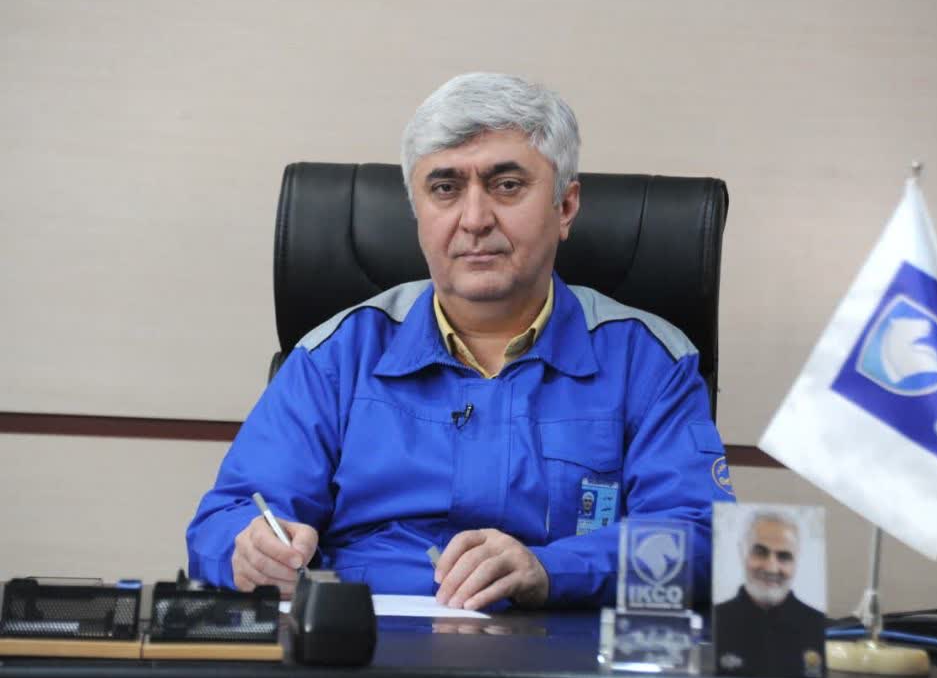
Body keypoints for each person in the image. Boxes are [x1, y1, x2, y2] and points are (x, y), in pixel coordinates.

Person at [186, 72, 734, 610]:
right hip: (367, 641)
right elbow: (224, 520)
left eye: (507, 185)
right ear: (417, 212)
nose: (474, 219)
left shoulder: (648, 360)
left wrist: (550, 569)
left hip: (557, 643)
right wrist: (248, 551)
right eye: (445, 189)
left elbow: (699, 537)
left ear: (565, 207)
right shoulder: (336, 355)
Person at [712, 512, 825, 678]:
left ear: (796, 561)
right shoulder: (714, 622)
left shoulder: (819, 627)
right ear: (742, 552)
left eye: (784, 556)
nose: (771, 568)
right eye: (760, 552)